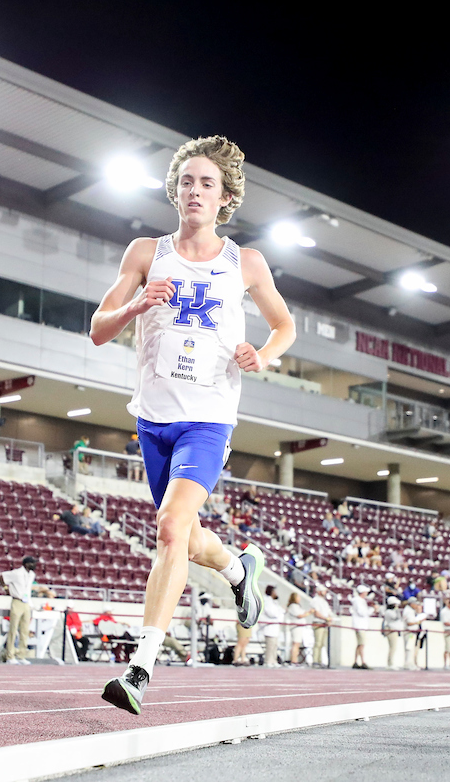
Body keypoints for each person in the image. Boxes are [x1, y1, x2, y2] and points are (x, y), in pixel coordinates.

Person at [91, 136, 295, 713]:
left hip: (207, 419)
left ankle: (140, 668)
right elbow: (97, 328)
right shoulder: (144, 252)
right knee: (178, 533)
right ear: (175, 191)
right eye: (186, 182)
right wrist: (134, 307)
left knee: (171, 526)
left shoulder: (244, 262)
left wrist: (266, 354)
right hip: (153, 418)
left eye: (207, 183)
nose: (195, 191)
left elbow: (284, 326)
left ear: (225, 195)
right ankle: (239, 567)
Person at [2, 556, 52, 665]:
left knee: (25, 630)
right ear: (26, 564)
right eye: (32, 563)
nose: (34, 565)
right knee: (13, 629)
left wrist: (31, 604)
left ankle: (21, 655)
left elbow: (27, 590)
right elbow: (1, 577)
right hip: (17, 601)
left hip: (26, 603)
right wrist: (6, 589)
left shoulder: (32, 575)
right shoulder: (16, 573)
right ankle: (10, 655)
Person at [258, 585, 285, 667]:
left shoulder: (274, 601)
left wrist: (280, 611)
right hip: (269, 626)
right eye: (274, 591)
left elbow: (280, 611)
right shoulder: (266, 601)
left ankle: (274, 660)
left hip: (275, 626)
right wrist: (279, 612)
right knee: (270, 645)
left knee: (275, 645)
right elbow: (272, 613)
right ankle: (268, 660)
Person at [310, 585, 334, 668]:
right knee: (318, 643)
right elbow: (316, 613)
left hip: (324, 623)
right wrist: (326, 618)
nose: (325, 592)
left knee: (322, 644)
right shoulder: (315, 600)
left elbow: (328, 611)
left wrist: (329, 618)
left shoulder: (324, 601)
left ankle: (319, 660)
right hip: (318, 623)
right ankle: (315, 660)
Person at [286, 591, 313, 665]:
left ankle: (294, 659)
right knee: (296, 644)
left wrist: (308, 612)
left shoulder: (297, 606)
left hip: (299, 627)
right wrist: (309, 613)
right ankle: (294, 660)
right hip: (296, 627)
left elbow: (303, 612)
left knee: (297, 644)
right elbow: (300, 615)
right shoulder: (293, 606)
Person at [350, 585, 373, 670]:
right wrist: (370, 610)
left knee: (360, 644)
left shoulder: (360, 601)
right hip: (360, 625)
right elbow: (361, 612)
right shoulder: (358, 601)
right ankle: (363, 661)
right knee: (362, 644)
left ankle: (356, 661)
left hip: (360, 624)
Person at [381, 596, 405, 670]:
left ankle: (391, 663)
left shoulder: (392, 611)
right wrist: (397, 610)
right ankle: (390, 663)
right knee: (392, 648)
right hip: (391, 630)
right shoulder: (389, 612)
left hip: (395, 630)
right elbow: (396, 617)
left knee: (394, 647)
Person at [404, 597, 427, 670]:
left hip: (412, 632)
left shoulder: (410, 610)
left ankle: (410, 663)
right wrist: (419, 622)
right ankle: (408, 664)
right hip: (410, 632)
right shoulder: (408, 611)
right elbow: (409, 623)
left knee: (411, 649)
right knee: (409, 649)